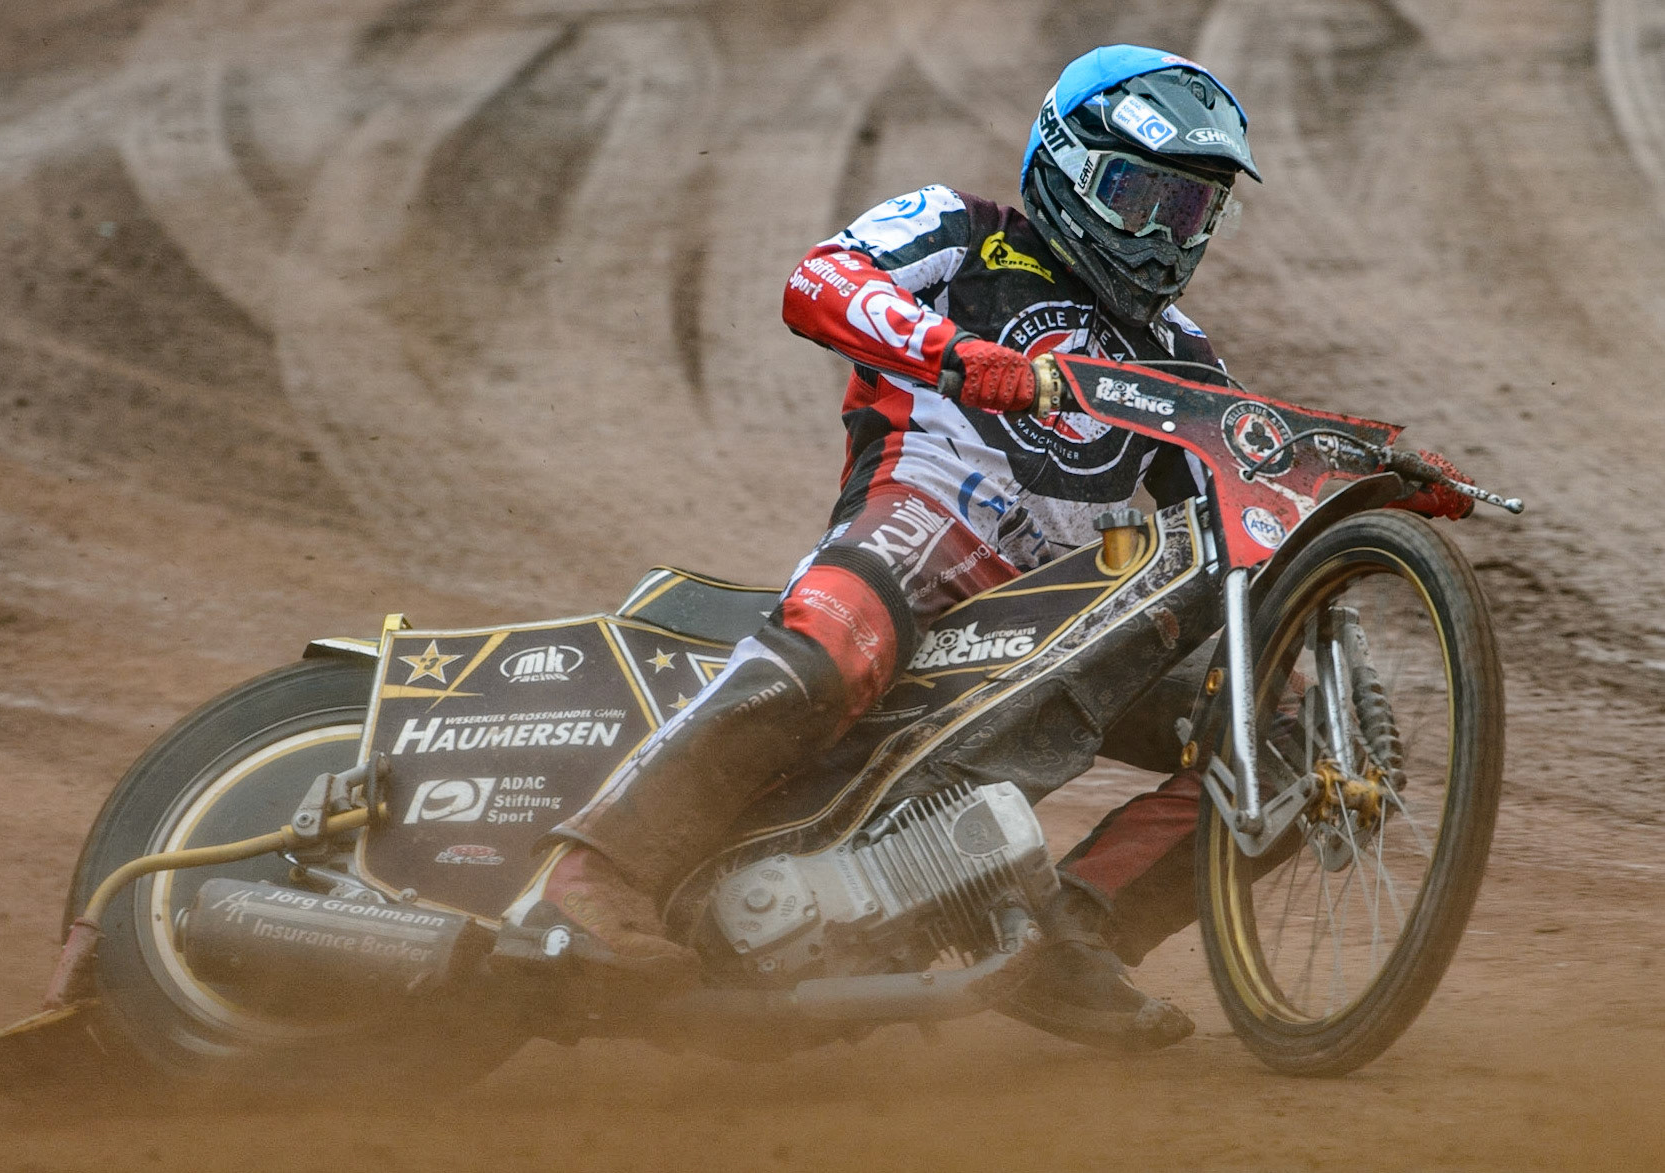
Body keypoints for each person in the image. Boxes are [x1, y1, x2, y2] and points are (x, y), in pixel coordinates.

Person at [500, 44, 1472, 1050]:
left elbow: (1239, 525)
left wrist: (1369, 469)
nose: (1161, 236)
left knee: (1291, 731)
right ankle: (592, 876)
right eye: (1139, 195)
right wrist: (957, 356)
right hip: (925, 528)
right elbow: (817, 280)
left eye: (1188, 213)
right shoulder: (963, 232)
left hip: (1067, 611)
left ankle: (1071, 934)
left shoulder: (1182, 356)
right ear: (1067, 163)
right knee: (830, 644)